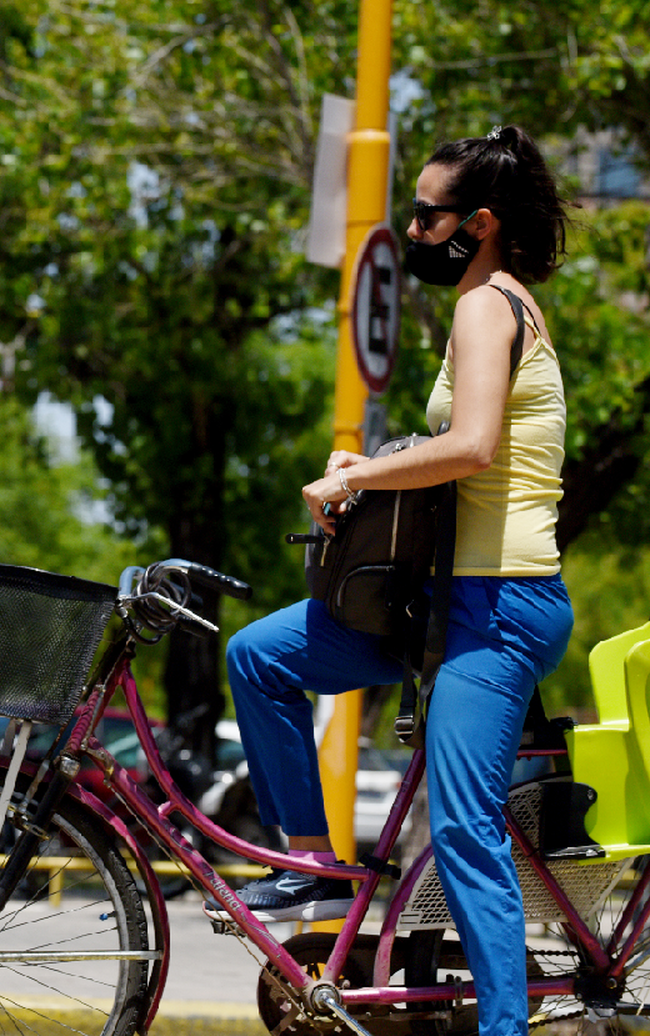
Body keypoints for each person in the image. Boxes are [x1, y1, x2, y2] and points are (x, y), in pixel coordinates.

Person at [218, 125, 574, 1036]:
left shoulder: (489, 304)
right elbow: (459, 459)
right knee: (259, 656)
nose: (412, 229)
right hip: (444, 604)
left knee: (463, 832)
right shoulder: (487, 303)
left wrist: (358, 476)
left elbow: (476, 447)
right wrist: (377, 457)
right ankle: (310, 861)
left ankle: (505, 1028)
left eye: (427, 214)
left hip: (500, 604)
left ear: (480, 223)